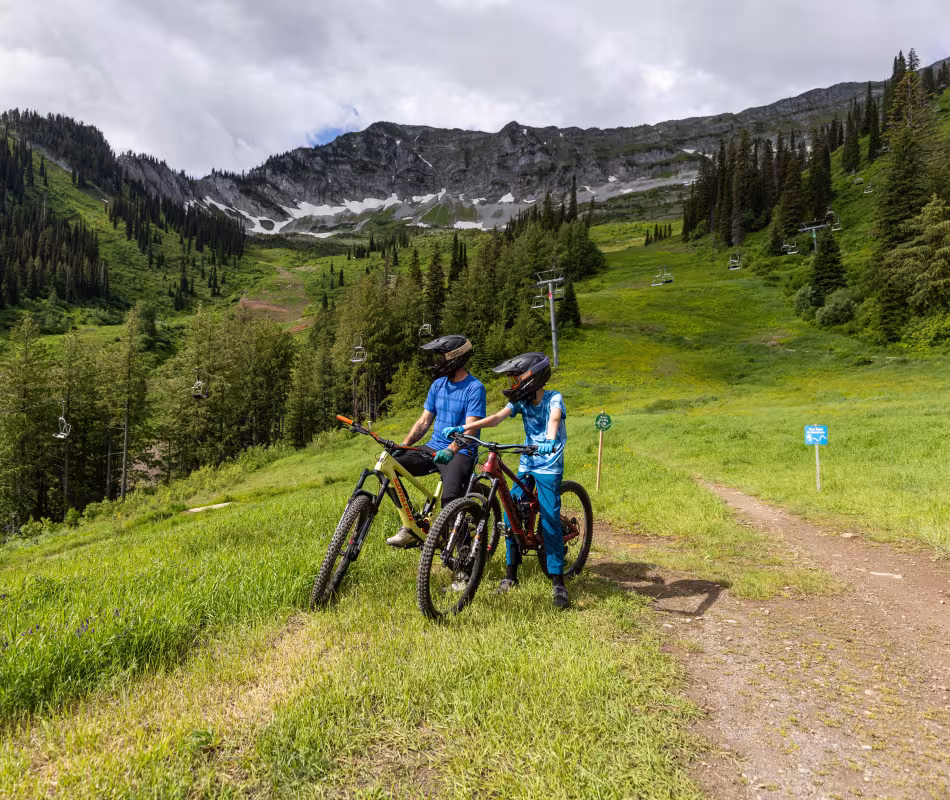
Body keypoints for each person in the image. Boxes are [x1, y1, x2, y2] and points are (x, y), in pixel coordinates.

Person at [443, 352, 569, 610]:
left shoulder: (553, 397)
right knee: (512, 514)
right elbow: (497, 417)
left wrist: (549, 440)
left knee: (549, 518)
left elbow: (554, 419)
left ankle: (558, 582)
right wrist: (464, 430)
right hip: (527, 461)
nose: (513, 384)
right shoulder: (522, 402)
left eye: (516, 378)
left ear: (532, 377)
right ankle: (511, 575)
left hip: (548, 462)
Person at [386, 334, 487, 548]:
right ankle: (411, 526)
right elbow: (423, 422)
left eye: (441, 358)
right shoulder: (438, 385)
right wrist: (403, 446)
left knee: (450, 502)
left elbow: (470, 430)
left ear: (455, 358)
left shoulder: (474, 388)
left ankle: (465, 562)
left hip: (461, 452)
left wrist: (451, 449)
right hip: (433, 447)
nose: (437, 363)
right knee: (387, 467)